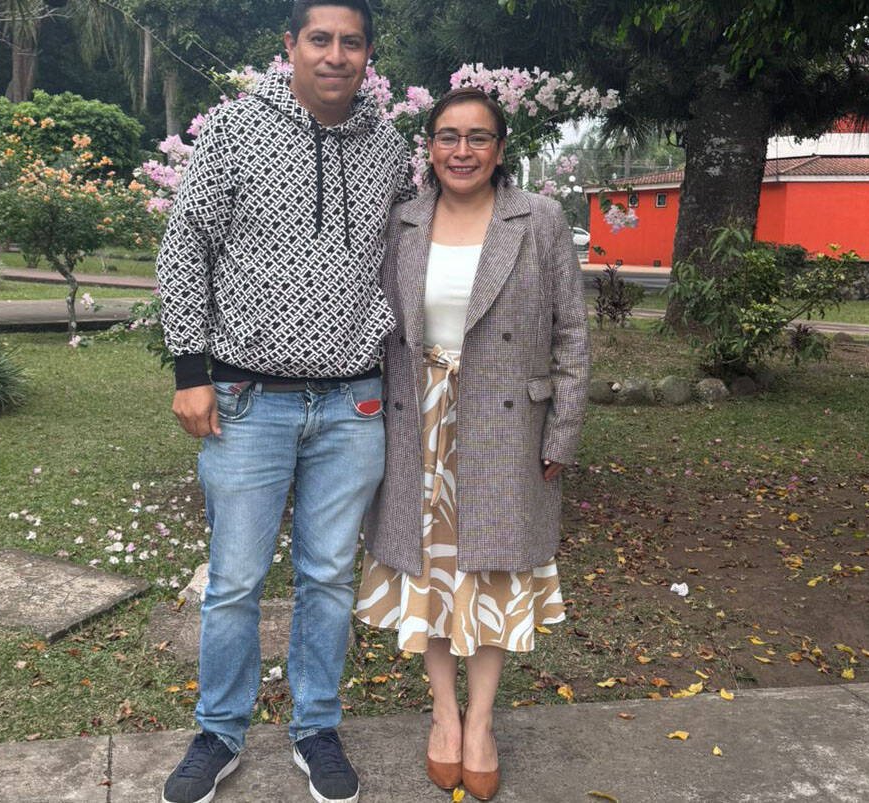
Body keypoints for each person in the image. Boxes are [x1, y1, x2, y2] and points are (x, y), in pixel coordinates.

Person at [154, 1, 412, 801]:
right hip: (246, 399)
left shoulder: (389, 147)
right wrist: (189, 370)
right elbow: (185, 245)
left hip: (353, 402)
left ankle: (316, 725)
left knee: (329, 576)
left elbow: (412, 246)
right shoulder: (234, 129)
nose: (335, 55)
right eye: (320, 40)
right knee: (234, 579)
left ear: (368, 54)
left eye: (351, 42)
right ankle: (218, 730)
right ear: (291, 47)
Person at [354, 87, 591, 801]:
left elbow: (572, 332)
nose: (462, 151)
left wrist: (563, 431)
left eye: (478, 137)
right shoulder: (402, 220)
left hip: (505, 423)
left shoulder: (538, 219)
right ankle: (444, 714)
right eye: (448, 136)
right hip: (415, 419)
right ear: (429, 147)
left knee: (491, 571)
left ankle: (481, 722)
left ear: (500, 147)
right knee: (429, 569)